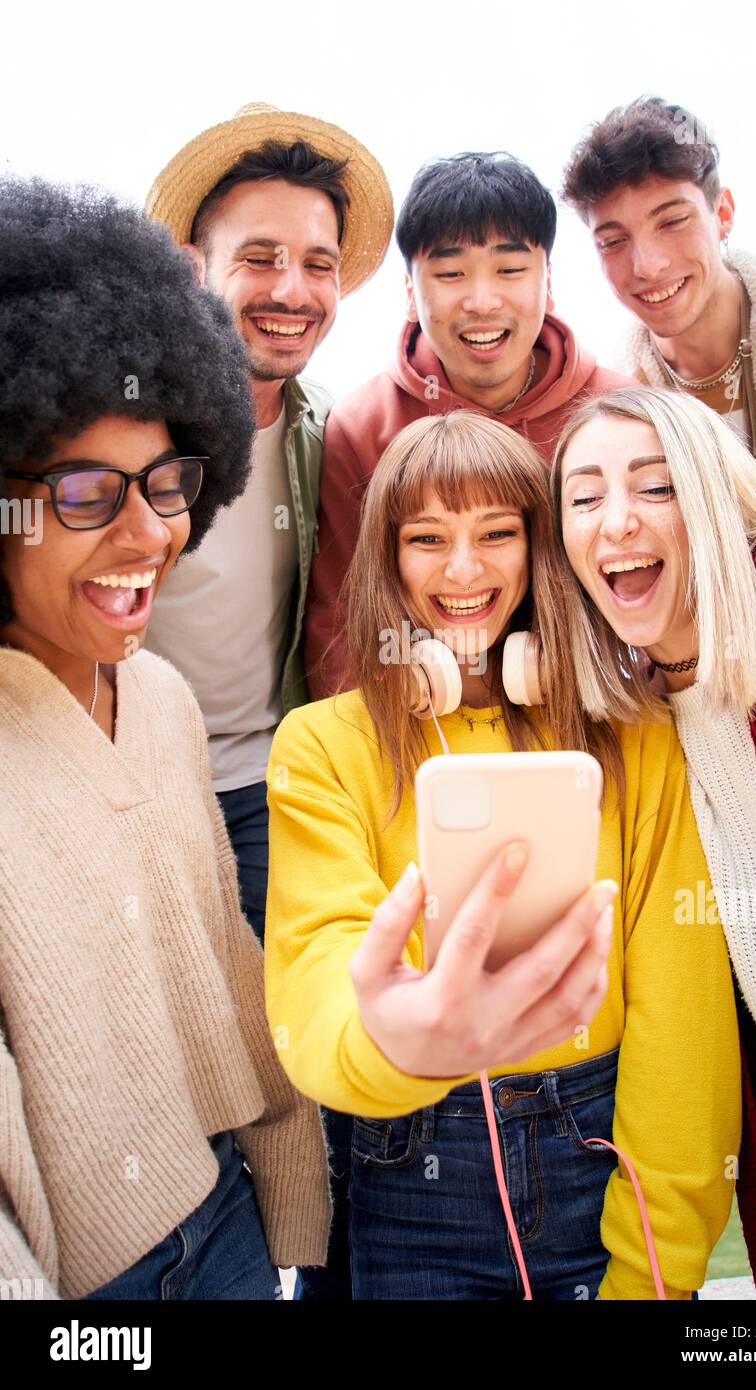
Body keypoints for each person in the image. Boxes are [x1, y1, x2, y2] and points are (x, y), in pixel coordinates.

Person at [265, 410, 741, 1300]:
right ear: (387, 559)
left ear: (542, 550)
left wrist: (655, 1269)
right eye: (427, 539)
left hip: (597, 1165)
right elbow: (316, 980)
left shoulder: (636, 739)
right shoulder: (320, 747)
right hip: (408, 1172)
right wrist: (401, 1047)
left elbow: (685, 1023)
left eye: (497, 533)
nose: (463, 570)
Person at [0, 177, 332, 1299]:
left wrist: (294, 1224)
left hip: (227, 1225)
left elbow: (228, 974)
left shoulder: (163, 702)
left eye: (168, 483)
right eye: (87, 491)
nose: (150, 533)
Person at [551, 384, 756, 1299]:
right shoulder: (637, 706)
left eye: (654, 487)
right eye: (584, 497)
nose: (616, 522)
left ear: (713, 492)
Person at [144, 103, 393, 939]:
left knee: (274, 1033)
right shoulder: (117, 427)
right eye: (260, 258)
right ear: (191, 267)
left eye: (317, 265)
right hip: (124, 780)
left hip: (267, 787)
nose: (292, 291)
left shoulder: (337, 437)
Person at [304, 151, 632, 698]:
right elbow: (339, 621)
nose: (482, 301)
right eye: (451, 273)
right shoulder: (362, 428)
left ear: (547, 282)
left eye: (509, 270)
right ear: (411, 293)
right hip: (425, 733)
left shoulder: (620, 413)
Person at [561, 97, 756, 516]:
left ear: (722, 213)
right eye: (613, 242)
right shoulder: (620, 403)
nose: (648, 266)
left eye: (672, 221)